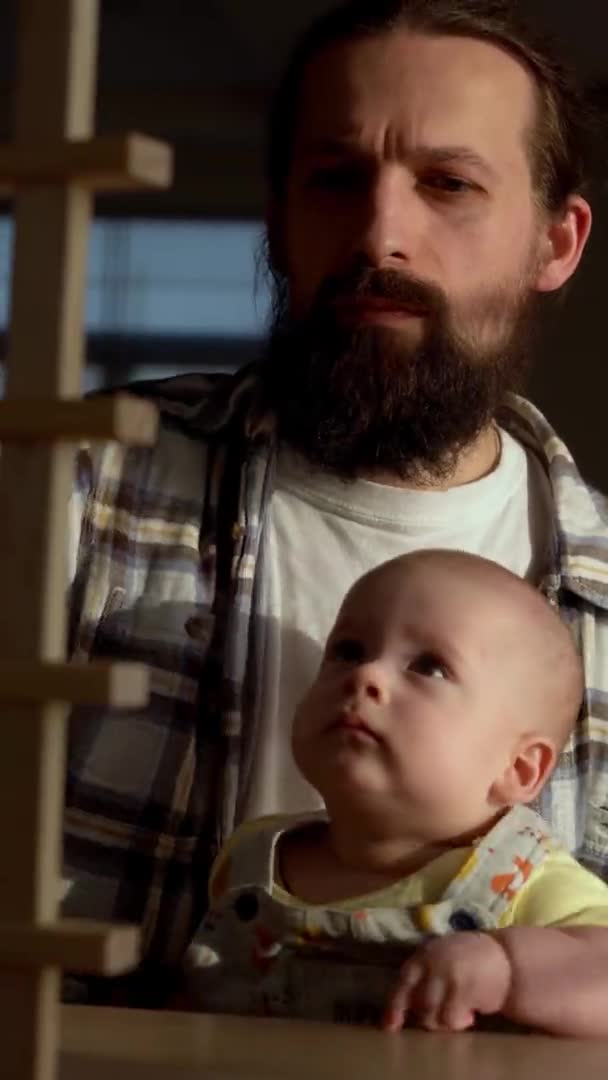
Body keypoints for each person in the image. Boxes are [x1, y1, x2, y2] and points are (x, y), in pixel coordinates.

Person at [63, 0, 608, 1005]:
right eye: (334, 177)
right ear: (277, 215)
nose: (379, 233)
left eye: (447, 184)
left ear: (554, 242)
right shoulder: (77, 478)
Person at [181, 551, 608, 1036]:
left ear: (518, 767)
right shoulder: (250, 858)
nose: (366, 676)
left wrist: (508, 970)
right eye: (347, 651)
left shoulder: (527, 881)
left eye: (431, 667)